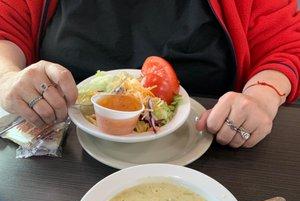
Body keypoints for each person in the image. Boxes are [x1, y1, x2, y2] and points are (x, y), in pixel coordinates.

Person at [0, 0, 299, 148]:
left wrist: (261, 96)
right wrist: (8, 78)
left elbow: (285, 43)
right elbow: (6, 29)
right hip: (64, 155)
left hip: (209, 147)